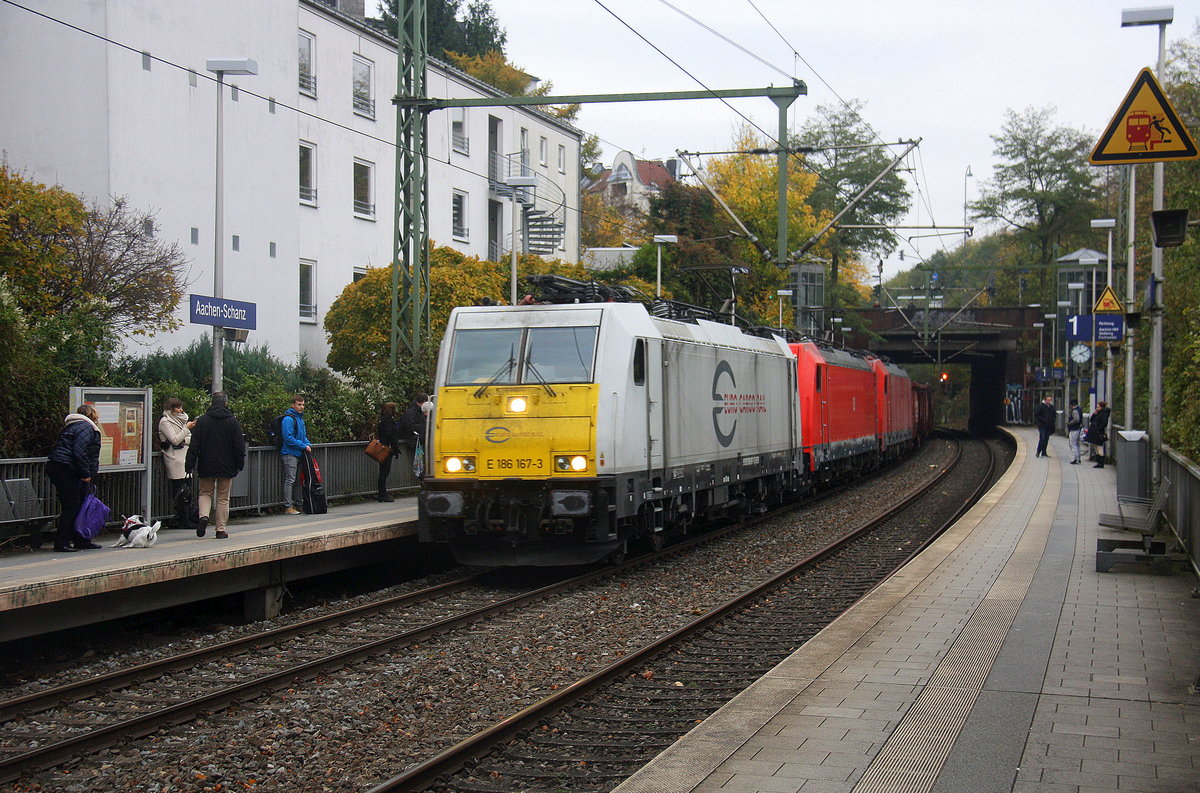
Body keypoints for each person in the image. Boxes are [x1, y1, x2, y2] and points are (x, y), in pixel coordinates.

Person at [184, 392, 245, 538]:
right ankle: (220, 529)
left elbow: (194, 445)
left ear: (212, 403)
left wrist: (189, 464)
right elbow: (239, 446)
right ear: (225, 403)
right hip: (227, 465)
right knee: (223, 498)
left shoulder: (203, 421)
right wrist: (239, 464)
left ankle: (204, 516)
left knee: (205, 493)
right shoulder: (232, 421)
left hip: (206, 463)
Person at [45, 404, 103, 552]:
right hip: (67, 469)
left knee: (79, 503)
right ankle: (62, 542)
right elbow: (79, 451)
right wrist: (85, 474)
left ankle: (80, 539)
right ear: (93, 416)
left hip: (61, 467)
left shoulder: (73, 426)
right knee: (72, 505)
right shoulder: (87, 428)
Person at [158, 397, 195, 527]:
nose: (181, 410)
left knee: (188, 490)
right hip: (175, 459)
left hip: (185, 458)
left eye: (181, 407)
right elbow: (174, 440)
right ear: (171, 409)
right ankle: (182, 519)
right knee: (179, 491)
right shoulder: (165, 422)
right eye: (178, 408)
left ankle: (187, 518)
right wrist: (186, 430)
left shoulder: (180, 421)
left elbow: (189, 439)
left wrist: (184, 437)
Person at [280, 395, 312, 515]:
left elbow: (302, 436)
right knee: (290, 479)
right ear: (292, 405)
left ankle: (299, 505)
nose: (301, 407)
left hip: (298, 453)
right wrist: (303, 445)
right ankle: (288, 507)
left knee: (297, 481)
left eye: (303, 404)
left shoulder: (300, 419)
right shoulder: (289, 419)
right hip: (290, 454)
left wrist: (307, 444)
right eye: (299, 404)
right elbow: (288, 438)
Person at [375, 402, 401, 502]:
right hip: (387, 448)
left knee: (383, 471)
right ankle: (382, 494)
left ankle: (382, 494)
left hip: (382, 447)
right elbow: (390, 434)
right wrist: (395, 446)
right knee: (384, 472)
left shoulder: (383, 419)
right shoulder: (389, 420)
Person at [1088, 401, 1112, 469]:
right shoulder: (1098, 413)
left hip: (1099, 432)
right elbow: (1091, 420)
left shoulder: (1104, 414)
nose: (1097, 408)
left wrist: (1098, 428)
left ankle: (1101, 462)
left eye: (1098, 407)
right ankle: (1098, 461)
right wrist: (1095, 413)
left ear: (1102, 407)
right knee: (1096, 446)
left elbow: (1104, 423)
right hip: (1095, 432)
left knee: (1099, 447)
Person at [1066, 398, 1084, 465]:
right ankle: (1078, 458)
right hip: (1078, 428)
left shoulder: (1075, 410)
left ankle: (1075, 458)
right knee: (1077, 444)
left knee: (1073, 444)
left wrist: (1069, 423)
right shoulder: (1079, 409)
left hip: (1074, 429)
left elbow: (1076, 419)